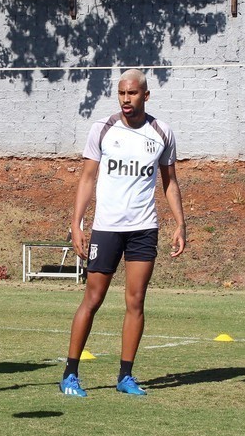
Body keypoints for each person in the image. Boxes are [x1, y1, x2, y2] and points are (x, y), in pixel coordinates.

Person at [60, 68, 187, 398]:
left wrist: (180, 223)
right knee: (93, 298)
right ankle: (70, 374)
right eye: (121, 93)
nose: (126, 99)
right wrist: (77, 223)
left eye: (132, 93)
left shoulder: (162, 133)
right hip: (106, 229)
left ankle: (125, 376)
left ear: (145, 95)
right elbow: (87, 179)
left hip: (144, 229)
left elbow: (170, 182)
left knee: (136, 301)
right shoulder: (102, 129)